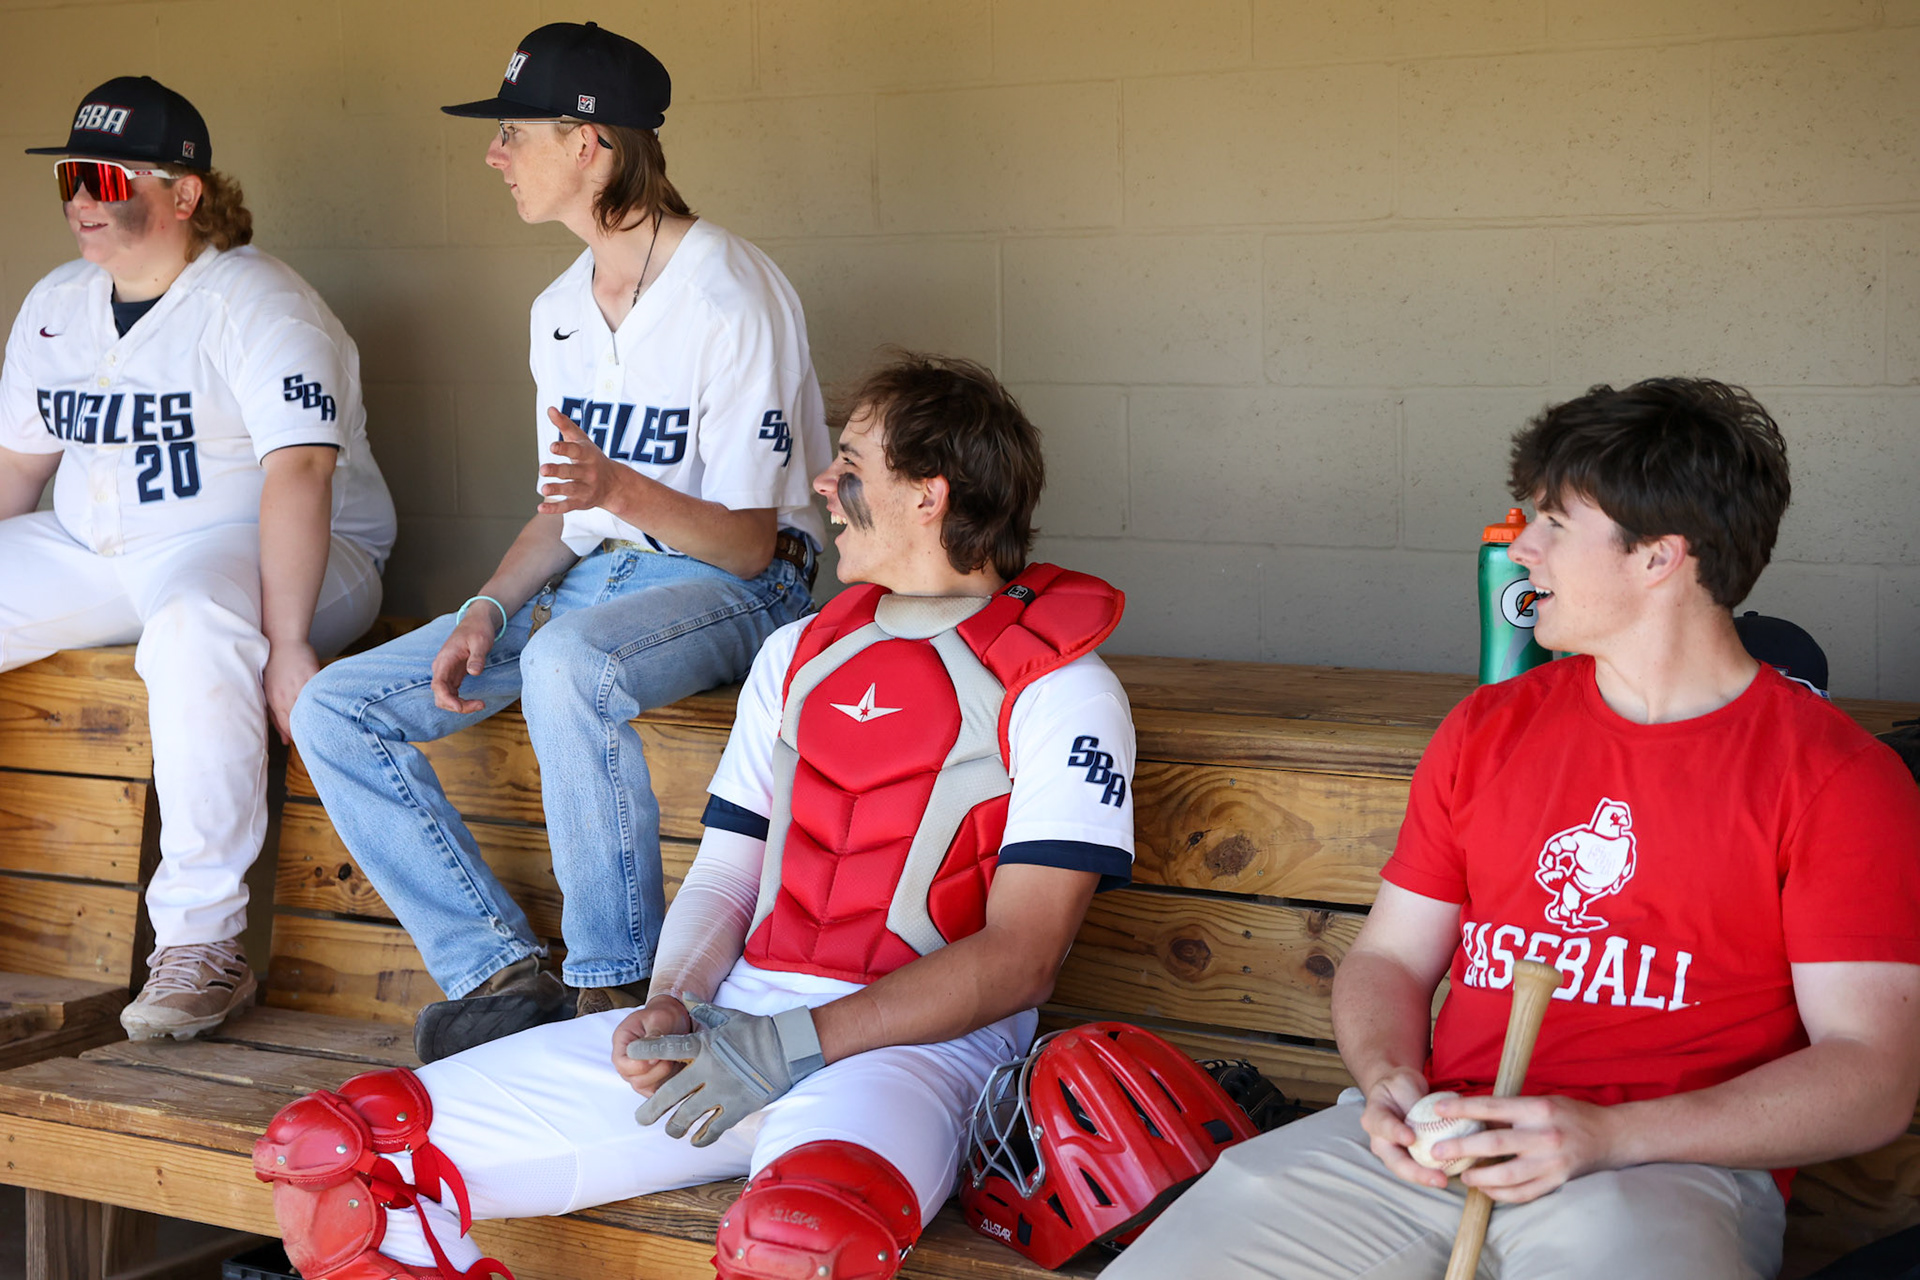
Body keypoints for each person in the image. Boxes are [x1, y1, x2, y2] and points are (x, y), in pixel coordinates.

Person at [253, 353, 1136, 1280]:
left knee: (797, 1243)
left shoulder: (1063, 686)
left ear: (929, 496)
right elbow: (726, 872)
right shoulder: (800, 653)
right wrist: (672, 999)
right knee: (344, 1158)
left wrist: (793, 1046)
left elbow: (1024, 955)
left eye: (851, 465)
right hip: (731, 1023)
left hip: (912, 1053)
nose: (825, 488)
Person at [1104, 378, 1920, 1280]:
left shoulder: (1835, 777)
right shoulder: (1491, 728)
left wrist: (1607, 1134)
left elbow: (1870, 1074)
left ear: (1659, 557)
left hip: (1663, 1168)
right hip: (1436, 1140)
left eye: (1554, 525)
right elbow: (1390, 960)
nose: (1523, 548)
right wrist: (1387, 1084)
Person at [290, 22, 829, 1061]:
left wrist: (621, 489)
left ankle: (608, 984)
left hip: (740, 583)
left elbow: (756, 544)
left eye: (513, 133)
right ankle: (496, 968)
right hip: (600, 574)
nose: (494, 155)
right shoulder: (555, 310)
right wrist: (487, 607)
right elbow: (563, 514)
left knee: (569, 661)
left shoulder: (730, 287)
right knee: (337, 703)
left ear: (591, 144)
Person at [0, 76, 395, 1041]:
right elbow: (17, 468)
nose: (83, 199)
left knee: (194, 628)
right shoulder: (57, 303)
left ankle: (202, 943)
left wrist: (290, 641)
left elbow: (300, 471)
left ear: (186, 193)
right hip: (101, 547)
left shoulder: (259, 301)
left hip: (283, 545)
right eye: (69, 178)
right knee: (173, 609)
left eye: (104, 176)